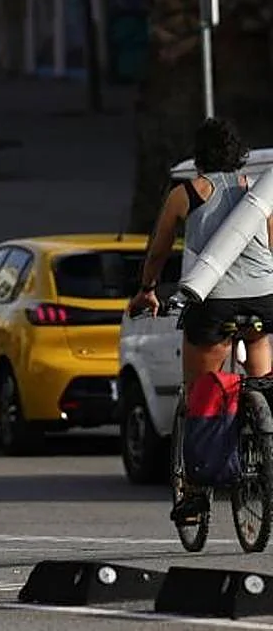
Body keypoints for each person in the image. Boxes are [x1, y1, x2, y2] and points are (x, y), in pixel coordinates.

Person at [128, 118, 273, 520]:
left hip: (213, 301)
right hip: (263, 299)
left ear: (199, 158)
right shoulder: (256, 192)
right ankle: (263, 438)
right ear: (239, 156)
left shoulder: (185, 193)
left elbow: (159, 250)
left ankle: (193, 494)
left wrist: (148, 288)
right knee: (261, 374)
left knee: (200, 392)